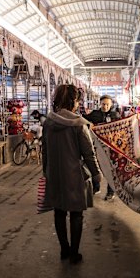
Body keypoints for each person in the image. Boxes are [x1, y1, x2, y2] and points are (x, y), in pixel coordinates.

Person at [42, 85, 102, 264]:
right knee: (76, 214)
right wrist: (96, 175)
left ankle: (64, 250)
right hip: (74, 175)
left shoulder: (48, 122)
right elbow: (89, 153)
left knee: (59, 212)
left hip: (54, 174)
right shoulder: (79, 124)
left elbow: (44, 151)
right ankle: (74, 254)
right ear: (73, 102)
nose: (78, 104)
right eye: (77, 101)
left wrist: (46, 171)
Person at [83, 95, 121, 200]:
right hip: (97, 146)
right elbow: (82, 119)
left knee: (110, 170)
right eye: (103, 104)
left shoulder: (115, 115)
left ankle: (110, 192)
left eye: (107, 104)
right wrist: (88, 124)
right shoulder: (94, 114)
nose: (105, 106)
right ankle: (96, 187)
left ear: (111, 104)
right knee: (96, 166)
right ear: (100, 104)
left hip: (111, 148)